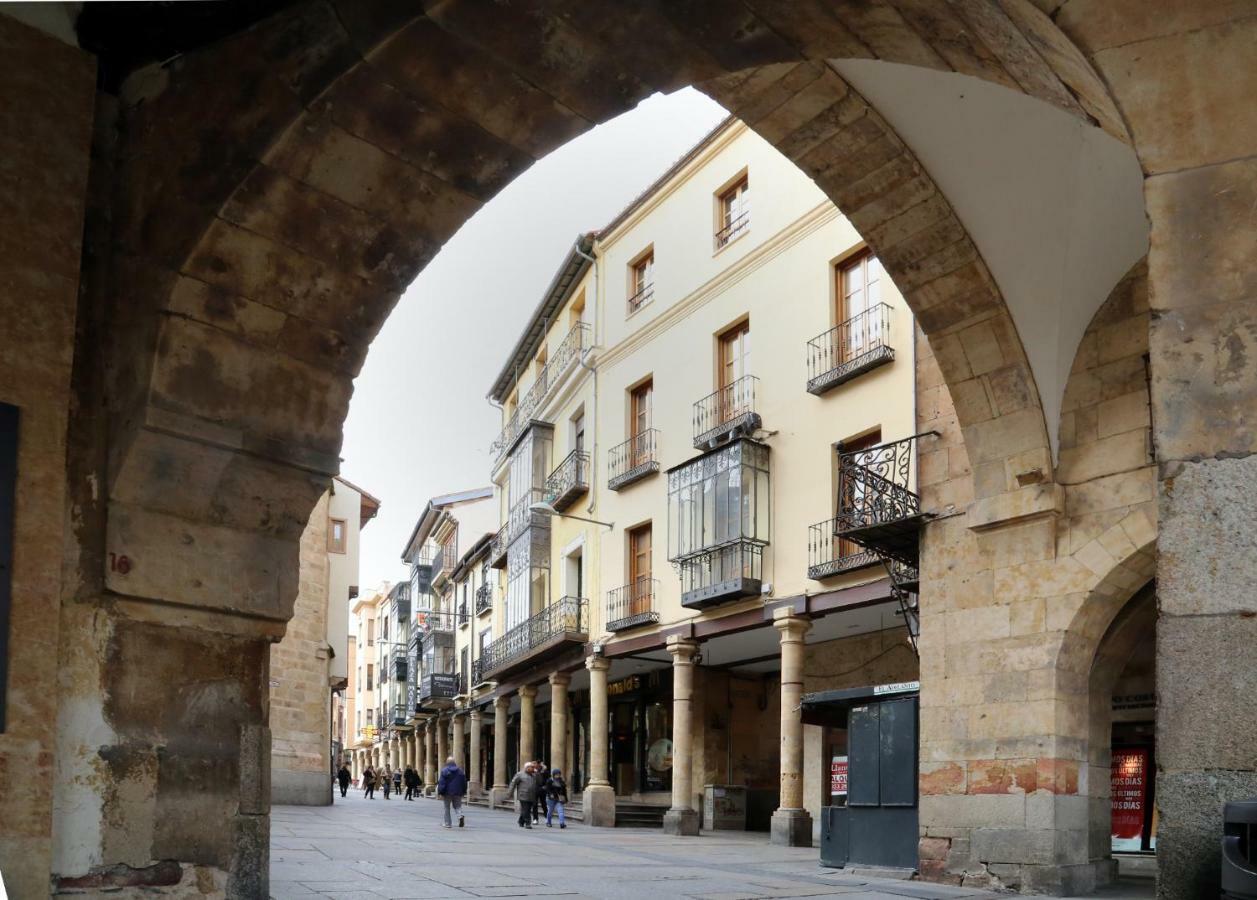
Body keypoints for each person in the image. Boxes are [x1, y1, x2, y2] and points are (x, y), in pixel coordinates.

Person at [436, 756, 468, 829]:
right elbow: (464, 782)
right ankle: (460, 815)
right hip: (458, 792)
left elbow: (442, 782)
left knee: (447, 808)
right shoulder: (460, 771)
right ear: (454, 763)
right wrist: (463, 791)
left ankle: (448, 824)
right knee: (457, 806)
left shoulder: (444, 770)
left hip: (447, 792)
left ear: (447, 762)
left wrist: (440, 791)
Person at [508, 763, 537, 829]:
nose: (533, 768)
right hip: (523, 795)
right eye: (531, 767)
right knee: (526, 810)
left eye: (533, 767)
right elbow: (513, 783)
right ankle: (528, 823)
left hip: (531, 795)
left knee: (527, 810)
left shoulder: (534, 775)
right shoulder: (520, 774)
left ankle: (521, 821)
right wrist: (510, 793)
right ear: (527, 768)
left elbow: (539, 782)